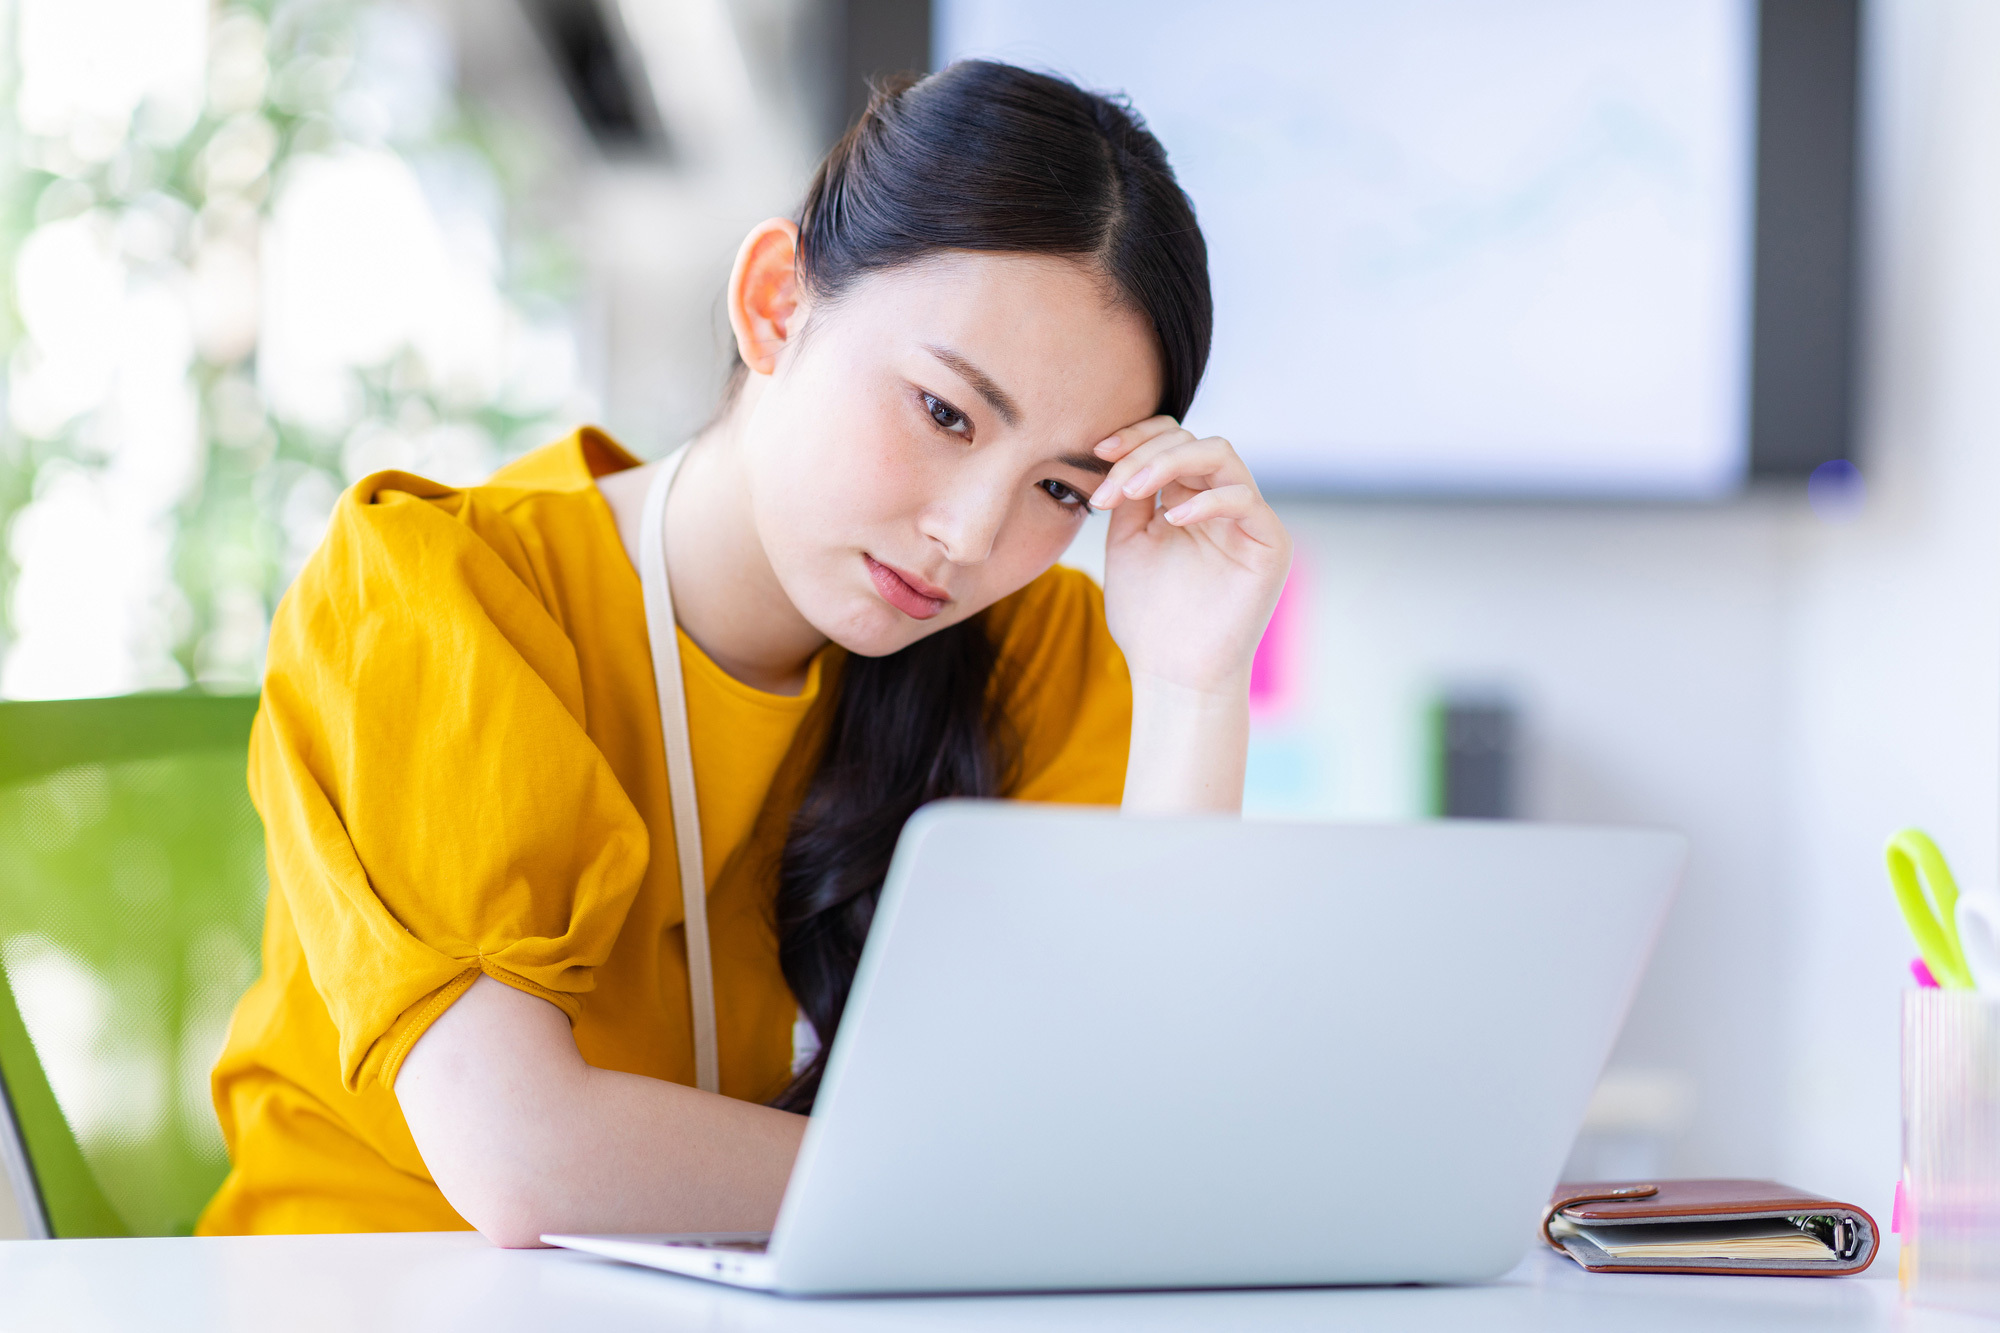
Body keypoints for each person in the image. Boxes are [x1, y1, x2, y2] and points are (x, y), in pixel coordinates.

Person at [198, 60, 1290, 1244]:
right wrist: (1022, 1191)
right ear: (776, 302)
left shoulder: (1033, 652)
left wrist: (1192, 685)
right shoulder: (435, 596)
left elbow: (1150, 1126)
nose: (970, 537)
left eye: (1060, 488)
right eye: (943, 413)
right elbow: (522, 1155)